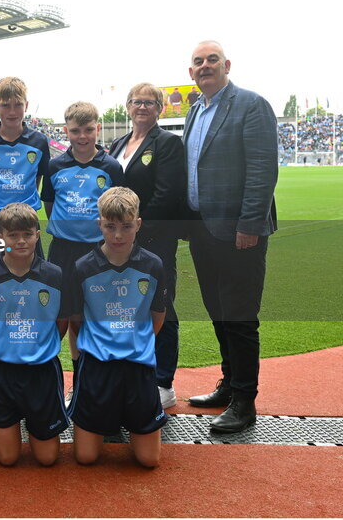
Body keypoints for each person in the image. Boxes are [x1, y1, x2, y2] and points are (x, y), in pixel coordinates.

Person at [183, 41, 278, 433]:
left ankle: (244, 401)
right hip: (203, 231)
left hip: (238, 231)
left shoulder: (251, 105)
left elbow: (262, 169)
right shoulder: (194, 111)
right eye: (198, 62)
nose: (205, 66)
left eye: (211, 60)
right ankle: (229, 385)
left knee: (238, 317)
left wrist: (249, 225)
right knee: (218, 313)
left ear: (226, 65)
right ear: (191, 73)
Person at [65, 187, 169, 467]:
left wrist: (134, 340)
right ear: (100, 225)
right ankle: (108, 420)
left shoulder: (153, 265)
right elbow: (76, 321)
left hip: (138, 365)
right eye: (110, 227)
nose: (118, 235)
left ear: (138, 224)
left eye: (126, 226)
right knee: (86, 458)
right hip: (98, 365)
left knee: (149, 461)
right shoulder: (83, 267)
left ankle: (126, 421)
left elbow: (157, 317)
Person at [0, 203, 71, 466]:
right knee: (7, 459)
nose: (21, 240)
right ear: (0, 238)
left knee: (47, 459)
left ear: (38, 234)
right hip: (1, 371)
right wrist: (3, 347)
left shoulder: (54, 275)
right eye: (13, 235)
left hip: (41, 371)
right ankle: (6, 427)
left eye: (27, 234)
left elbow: (61, 322)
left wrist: (40, 346)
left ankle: (29, 424)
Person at [108, 84, 186, 409]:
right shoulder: (118, 144)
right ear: (128, 106)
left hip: (154, 241)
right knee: (128, 307)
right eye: (137, 101)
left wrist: (135, 233)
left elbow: (167, 196)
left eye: (149, 102)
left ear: (160, 108)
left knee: (161, 306)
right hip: (121, 242)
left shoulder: (168, 143)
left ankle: (163, 382)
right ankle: (132, 376)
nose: (142, 106)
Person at [42, 101, 123, 383]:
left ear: (97, 128)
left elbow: (117, 212)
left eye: (88, 129)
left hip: (97, 252)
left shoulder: (111, 167)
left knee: (94, 316)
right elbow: (50, 206)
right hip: (63, 250)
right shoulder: (55, 166)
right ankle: (64, 382)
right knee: (64, 316)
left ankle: (92, 380)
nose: (83, 136)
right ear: (66, 131)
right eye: (76, 130)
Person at [0, 76, 50, 270]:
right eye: (5, 105)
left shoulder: (39, 141)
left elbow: (36, 180)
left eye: (18, 104)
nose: (12, 112)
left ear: (26, 105)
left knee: (31, 278)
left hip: (26, 221)